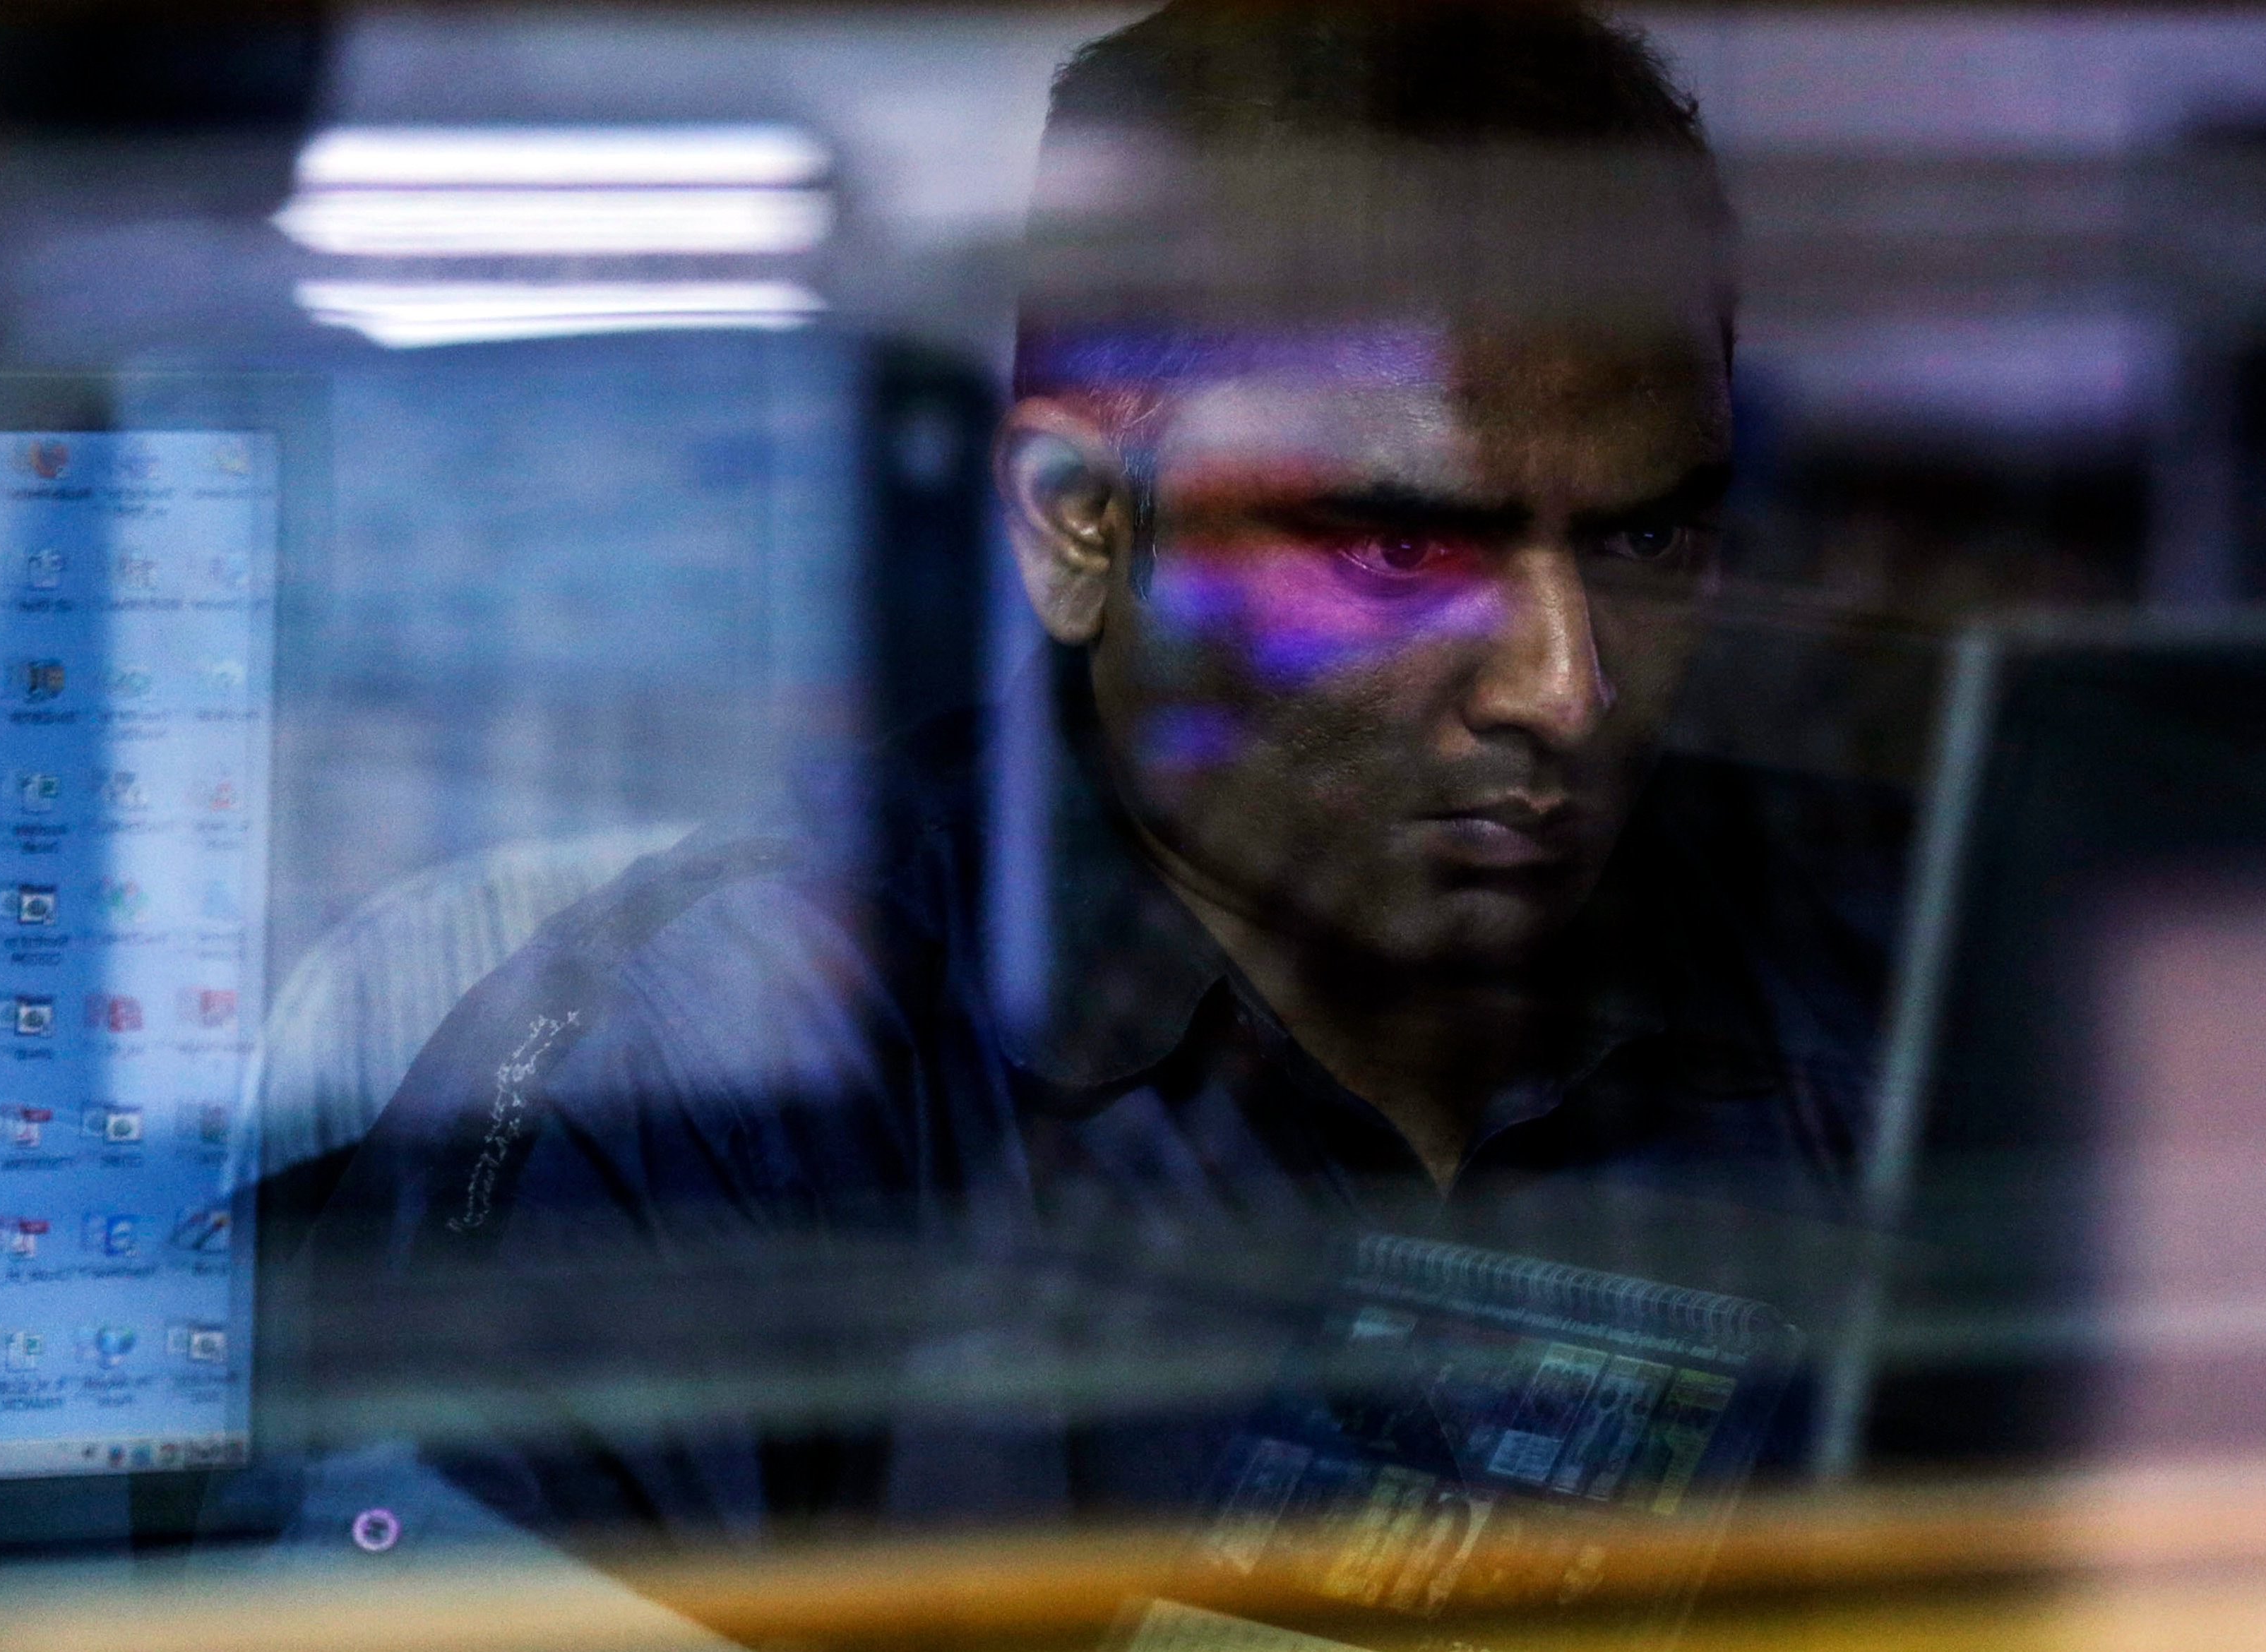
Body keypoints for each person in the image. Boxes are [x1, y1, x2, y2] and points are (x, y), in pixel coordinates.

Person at [289, 0, 1904, 1545]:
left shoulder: (1877, 978)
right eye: (1399, 550)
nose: (1563, 688)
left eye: (1643, 542)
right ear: (1078, 525)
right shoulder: (733, 1067)